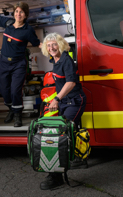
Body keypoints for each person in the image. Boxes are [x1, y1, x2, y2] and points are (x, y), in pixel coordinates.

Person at [0, 0, 41, 127]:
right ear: (14, 13)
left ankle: (17, 115)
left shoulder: (28, 30)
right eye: (17, 11)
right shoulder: (8, 23)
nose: (18, 14)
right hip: (4, 63)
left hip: (19, 64)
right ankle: (11, 109)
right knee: (5, 91)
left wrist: (53, 50)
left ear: (25, 15)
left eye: (21, 12)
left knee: (15, 90)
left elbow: (38, 44)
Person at [40, 32, 87, 190]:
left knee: (60, 135)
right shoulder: (55, 59)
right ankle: (80, 159)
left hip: (75, 101)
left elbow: (71, 83)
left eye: (54, 44)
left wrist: (56, 100)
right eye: (49, 45)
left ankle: (56, 176)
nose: (52, 47)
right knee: (71, 133)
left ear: (60, 44)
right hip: (64, 102)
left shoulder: (66, 59)